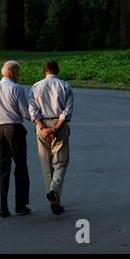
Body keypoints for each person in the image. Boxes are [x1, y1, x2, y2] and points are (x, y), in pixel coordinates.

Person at [0, 61, 31, 218]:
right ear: (12, 72)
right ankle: (20, 205)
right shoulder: (17, 89)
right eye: (18, 72)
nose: (19, 75)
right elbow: (25, 113)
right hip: (14, 129)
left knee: (1, 170)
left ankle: (2, 208)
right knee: (20, 166)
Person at [28, 60, 74, 216]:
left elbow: (32, 110)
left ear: (44, 71)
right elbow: (66, 112)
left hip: (41, 126)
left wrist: (42, 127)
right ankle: (55, 192)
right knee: (60, 162)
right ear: (57, 70)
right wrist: (55, 128)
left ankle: (53, 199)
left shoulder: (35, 86)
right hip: (58, 124)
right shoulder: (65, 86)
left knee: (46, 164)